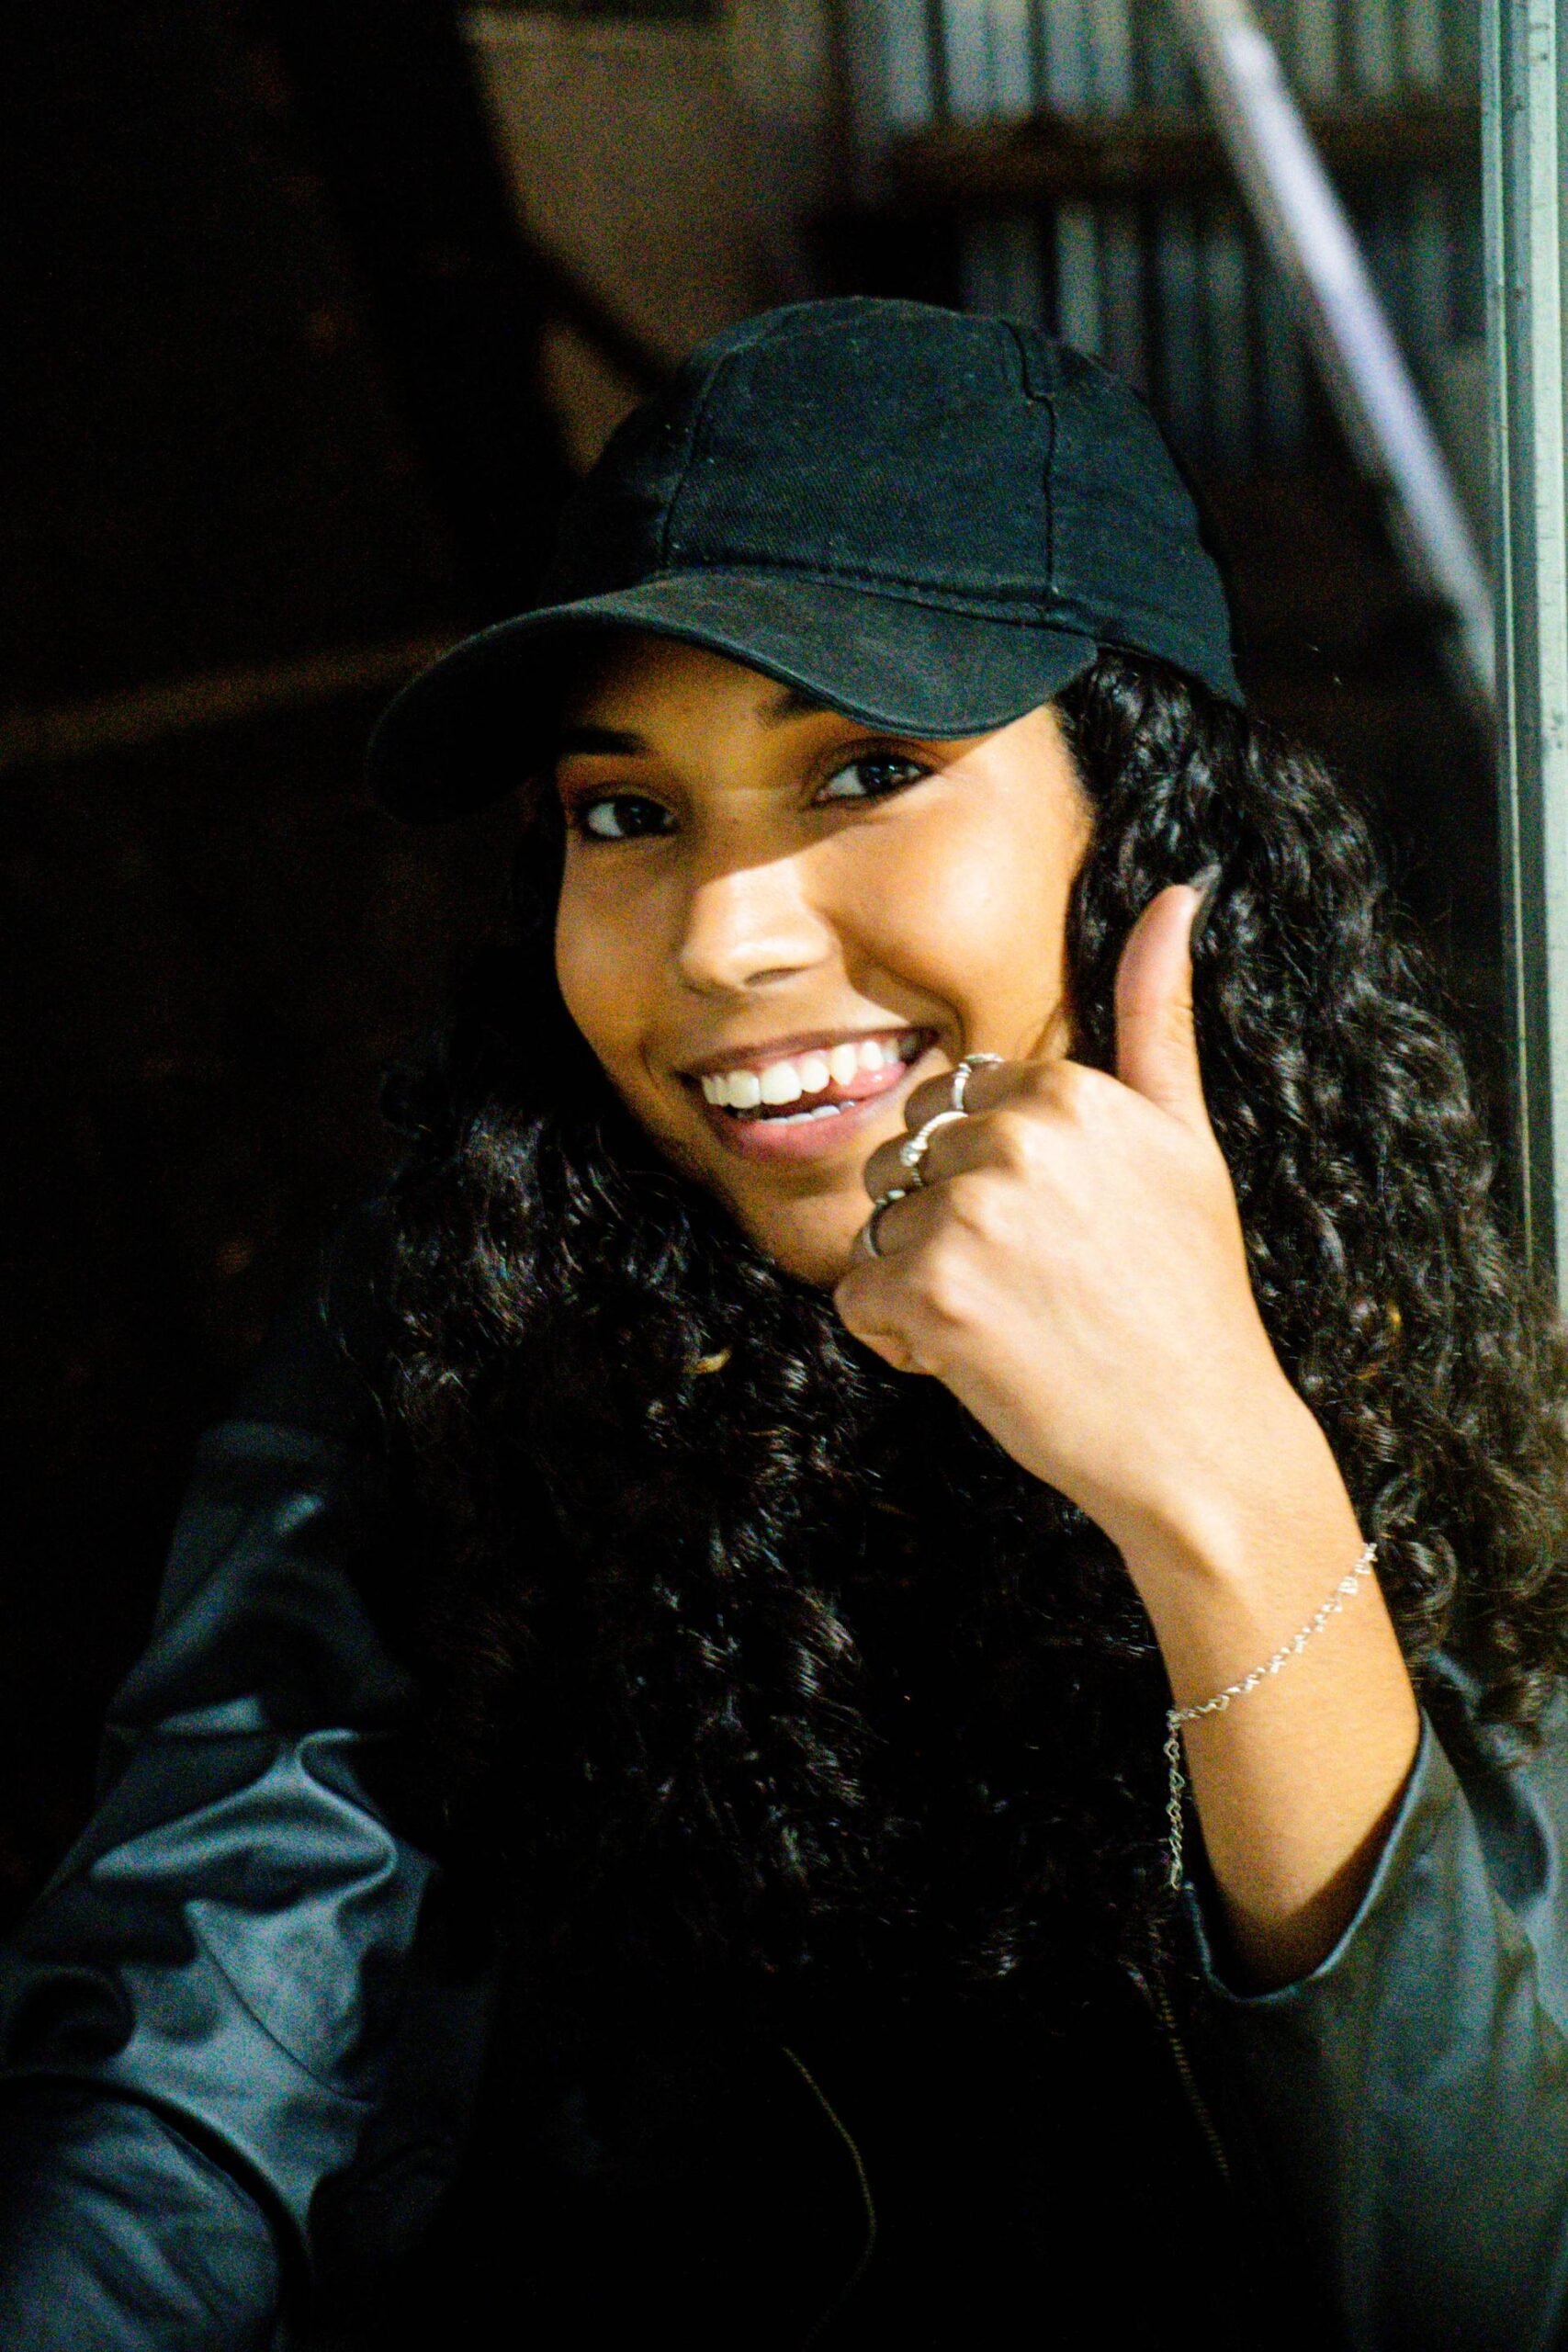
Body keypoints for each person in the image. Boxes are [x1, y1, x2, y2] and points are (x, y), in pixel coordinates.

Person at [3, 296, 1568, 2352]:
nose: (725, 938)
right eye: (626, 812)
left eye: (866, 770)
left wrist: (1225, 1481)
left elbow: (1480, 2275)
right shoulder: (462, 1322)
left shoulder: (1397, 1340)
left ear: (1146, 833)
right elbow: (200, 2045)